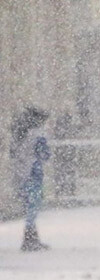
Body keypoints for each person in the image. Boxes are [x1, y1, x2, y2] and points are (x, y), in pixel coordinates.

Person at [10, 107, 52, 252]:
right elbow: (45, 154)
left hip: (21, 174)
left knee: (28, 206)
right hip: (33, 173)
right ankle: (30, 238)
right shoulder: (38, 135)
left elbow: (13, 154)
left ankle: (31, 238)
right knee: (33, 207)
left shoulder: (20, 134)